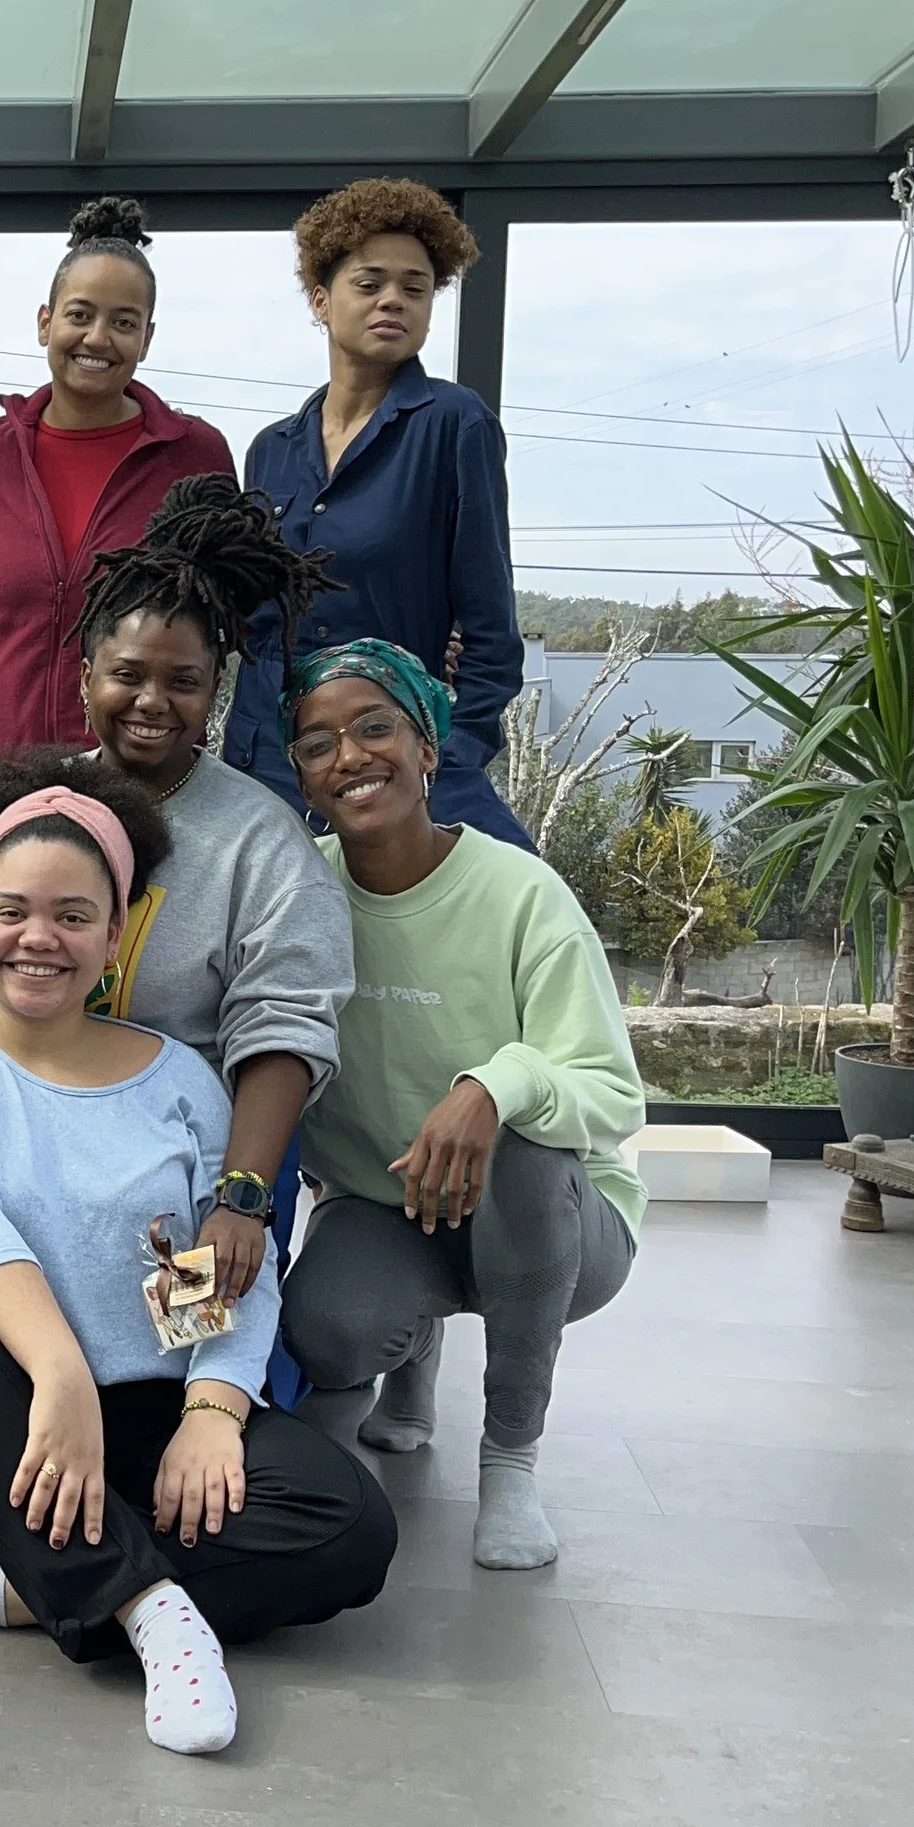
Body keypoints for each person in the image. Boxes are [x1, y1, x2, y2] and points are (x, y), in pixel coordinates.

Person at [0, 779, 397, 1756]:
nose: (37, 939)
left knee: (346, 1525)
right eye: (10, 911)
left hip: (146, 1413)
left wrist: (210, 1411)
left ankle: (10, 1586)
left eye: (72, 916)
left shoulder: (177, 1082)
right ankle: (153, 1614)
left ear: (116, 935)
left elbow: (217, 1271)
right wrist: (59, 1375)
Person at [0, 479, 351, 1308]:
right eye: (127, 674)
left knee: (189, 1356)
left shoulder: (260, 842)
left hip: (191, 1160)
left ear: (215, 688)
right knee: (6, 1345)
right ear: (86, 677)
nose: (153, 701)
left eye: (183, 681)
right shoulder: (25, 802)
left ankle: (195, 1401)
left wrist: (241, 1197)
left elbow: (286, 1025)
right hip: (24, 1136)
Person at [276, 644, 644, 1570]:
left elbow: (614, 1096)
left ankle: (511, 1459)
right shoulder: (298, 893)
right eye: (319, 744)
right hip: (386, 1207)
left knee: (521, 1147)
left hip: (551, 1222)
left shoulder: (522, 893)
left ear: (429, 746)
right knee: (324, 1333)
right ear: (303, 779)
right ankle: (412, 1360)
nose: (351, 756)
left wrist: (494, 1085)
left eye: (375, 727)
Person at [222, 177, 529, 845]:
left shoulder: (455, 426)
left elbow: (491, 634)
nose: (394, 299)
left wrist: (447, 757)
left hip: (393, 768)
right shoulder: (270, 451)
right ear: (321, 300)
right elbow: (253, 625)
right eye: (370, 283)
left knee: (511, 907)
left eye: (415, 288)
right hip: (268, 769)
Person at [0, 198, 235, 794]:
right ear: (45, 322)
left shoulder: (195, 457)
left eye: (123, 322)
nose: (98, 337)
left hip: (137, 777)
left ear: (147, 337)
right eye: (80, 315)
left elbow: (233, 607)